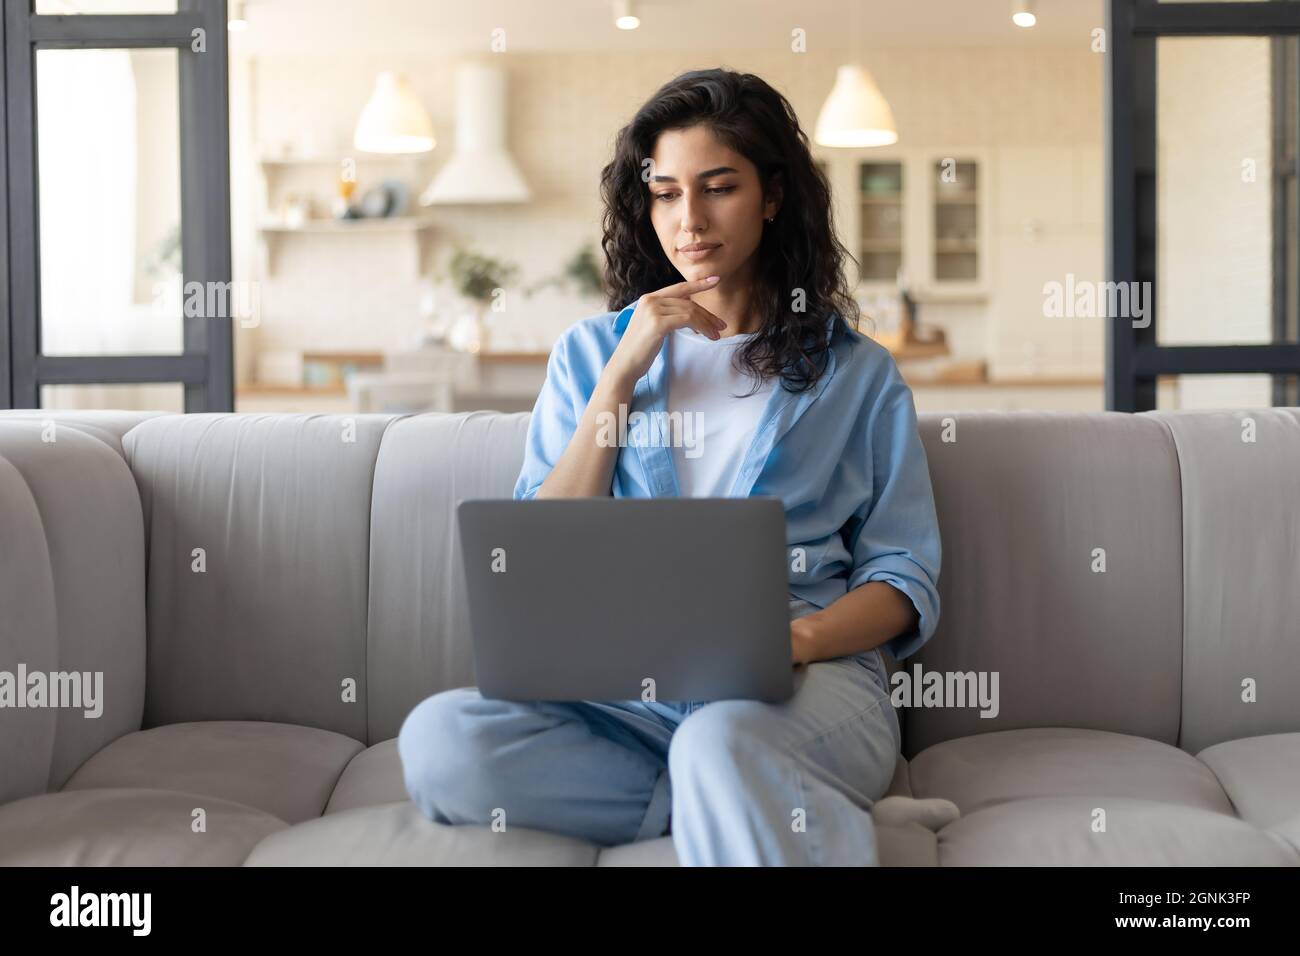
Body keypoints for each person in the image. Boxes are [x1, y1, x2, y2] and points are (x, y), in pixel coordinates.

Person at [398, 67, 942, 866]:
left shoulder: (856, 374)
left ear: (773, 195)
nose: (690, 220)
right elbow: (544, 551)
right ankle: (779, 804)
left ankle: (748, 777)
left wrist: (801, 637)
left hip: (804, 679)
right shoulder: (591, 354)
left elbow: (905, 575)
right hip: (632, 692)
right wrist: (620, 377)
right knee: (441, 741)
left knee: (722, 738)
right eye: (665, 192)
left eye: (718, 187)